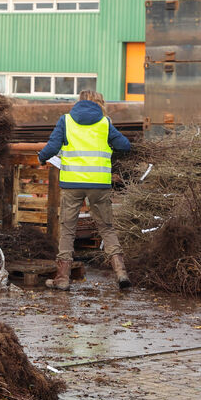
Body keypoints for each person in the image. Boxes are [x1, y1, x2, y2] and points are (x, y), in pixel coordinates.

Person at [38, 90, 131, 291]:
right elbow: (125, 146)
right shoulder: (105, 123)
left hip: (72, 184)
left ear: (78, 103)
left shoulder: (66, 120)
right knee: (106, 227)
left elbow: (52, 147)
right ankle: (121, 272)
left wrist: (41, 157)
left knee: (68, 229)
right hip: (99, 184)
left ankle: (62, 278)